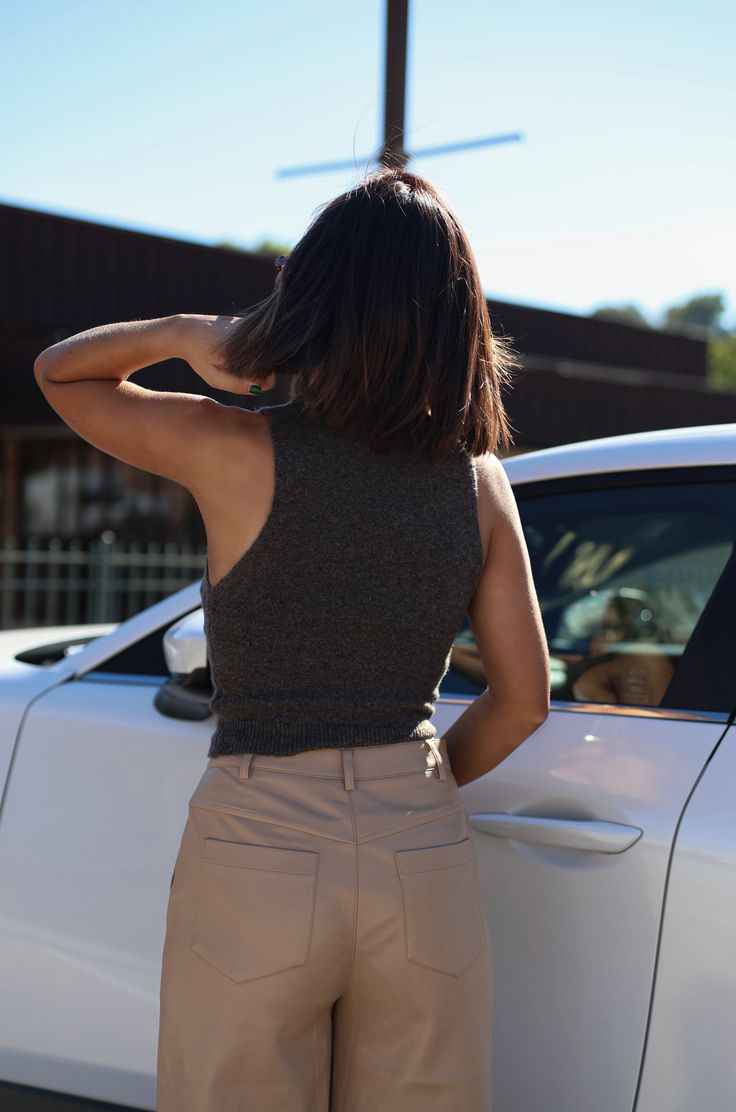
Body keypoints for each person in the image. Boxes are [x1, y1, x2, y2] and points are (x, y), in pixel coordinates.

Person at [33, 167, 550, 1111]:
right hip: (420, 847)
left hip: (260, 840)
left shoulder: (236, 449)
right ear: (457, 320)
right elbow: (523, 701)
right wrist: (403, 792)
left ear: (312, 301)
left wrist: (194, 336)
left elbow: (61, 370)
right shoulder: (479, 485)